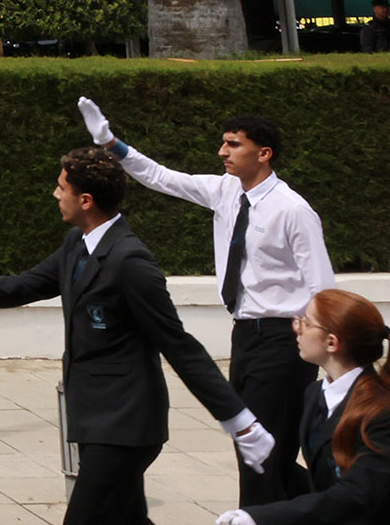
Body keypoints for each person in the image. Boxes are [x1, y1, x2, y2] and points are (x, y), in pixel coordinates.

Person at [0, 146, 275, 525]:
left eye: (61, 187)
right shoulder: (77, 244)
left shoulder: (130, 261)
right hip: (94, 417)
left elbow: (180, 346)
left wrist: (239, 421)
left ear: (85, 200)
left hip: (126, 423)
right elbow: (25, 285)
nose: (55, 194)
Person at [82, 98, 334, 508]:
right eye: (224, 143)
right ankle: (341, 507)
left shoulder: (293, 210)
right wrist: (112, 144)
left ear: (263, 153)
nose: (222, 152)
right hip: (245, 337)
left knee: (263, 453)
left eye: (233, 144)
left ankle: (262, 517)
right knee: (256, 448)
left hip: (283, 339)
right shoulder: (226, 191)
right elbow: (162, 177)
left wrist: (321, 347)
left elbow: (321, 287)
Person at [223, 287, 390, 525]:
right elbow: (322, 483)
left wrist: (262, 516)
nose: (296, 328)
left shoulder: (385, 415)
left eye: (306, 323)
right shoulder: (315, 394)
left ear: (332, 342)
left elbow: (356, 496)